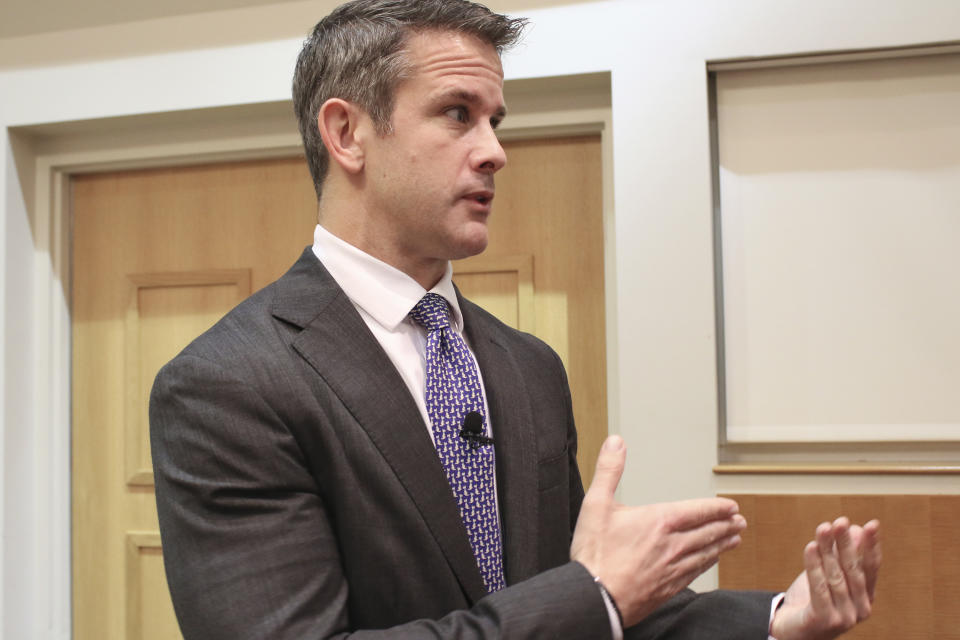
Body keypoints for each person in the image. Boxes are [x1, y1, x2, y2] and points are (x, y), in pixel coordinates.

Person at [149, 1, 881, 638]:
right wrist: (594, 594)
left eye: (494, 121)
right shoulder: (229, 384)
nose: (496, 152)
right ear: (347, 134)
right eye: (457, 114)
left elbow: (585, 602)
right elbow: (583, 601)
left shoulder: (527, 366)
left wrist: (781, 618)